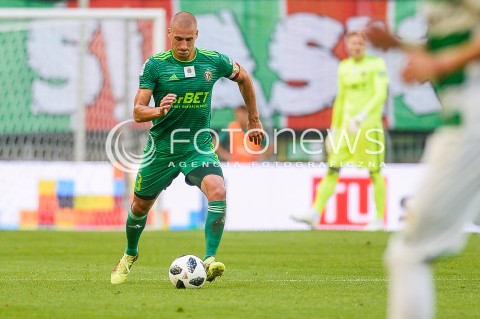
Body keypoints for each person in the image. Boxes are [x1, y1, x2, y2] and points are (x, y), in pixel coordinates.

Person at [111, 12, 265, 285]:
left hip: (198, 147)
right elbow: (137, 111)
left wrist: (253, 120)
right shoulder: (155, 66)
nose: (183, 45)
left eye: (189, 39)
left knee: (218, 189)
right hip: (162, 150)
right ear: (169, 33)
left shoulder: (213, 61)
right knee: (139, 207)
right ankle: (129, 254)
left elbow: (244, 78)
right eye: (178, 39)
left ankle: (208, 260)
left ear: (197, 36)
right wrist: (158, 110)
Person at [365, 1, 480, 317]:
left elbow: (451, 53)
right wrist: (399, 44)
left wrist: (440, 65)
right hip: (462, 121)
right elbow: (457, 36)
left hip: (470, 125)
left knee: (409, 254)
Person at [291, 31, 388, 231]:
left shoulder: (376, 65)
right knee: (333, 168)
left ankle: (379, 219)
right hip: (346, 129)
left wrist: (362, 116)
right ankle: (315, 213)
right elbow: (341, 99)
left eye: (360, 43)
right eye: (353, 43)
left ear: (365, 45)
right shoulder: (344, 67)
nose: (357, 46)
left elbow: (380, 95)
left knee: (374, 171)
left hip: (368, 127)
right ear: (347, 46)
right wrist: (334, 129)